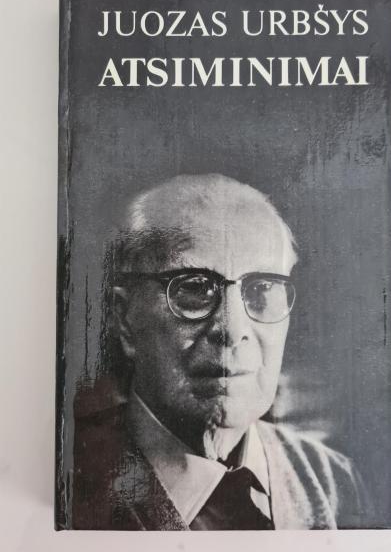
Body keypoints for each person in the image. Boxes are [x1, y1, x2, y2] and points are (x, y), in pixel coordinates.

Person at [72, 173, 369, 530]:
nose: (231, 330)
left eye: (261, 289)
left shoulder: (336, 482)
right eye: (195, 288)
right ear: (125, 319)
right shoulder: (74, 478)